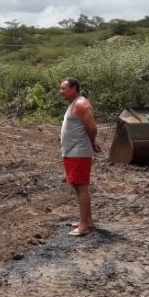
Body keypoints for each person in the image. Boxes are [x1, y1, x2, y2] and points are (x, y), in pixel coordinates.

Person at [59, 77, 101, 237]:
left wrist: (92, 141)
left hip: (79, 153)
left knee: (81, 187)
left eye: (64, 88)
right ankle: (87, 220)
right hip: (72, 152)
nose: (61, 92)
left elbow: (92, 127)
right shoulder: (74, 104)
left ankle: (84, 226)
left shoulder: (81, 104)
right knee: (78, 186)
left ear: (74, 88)